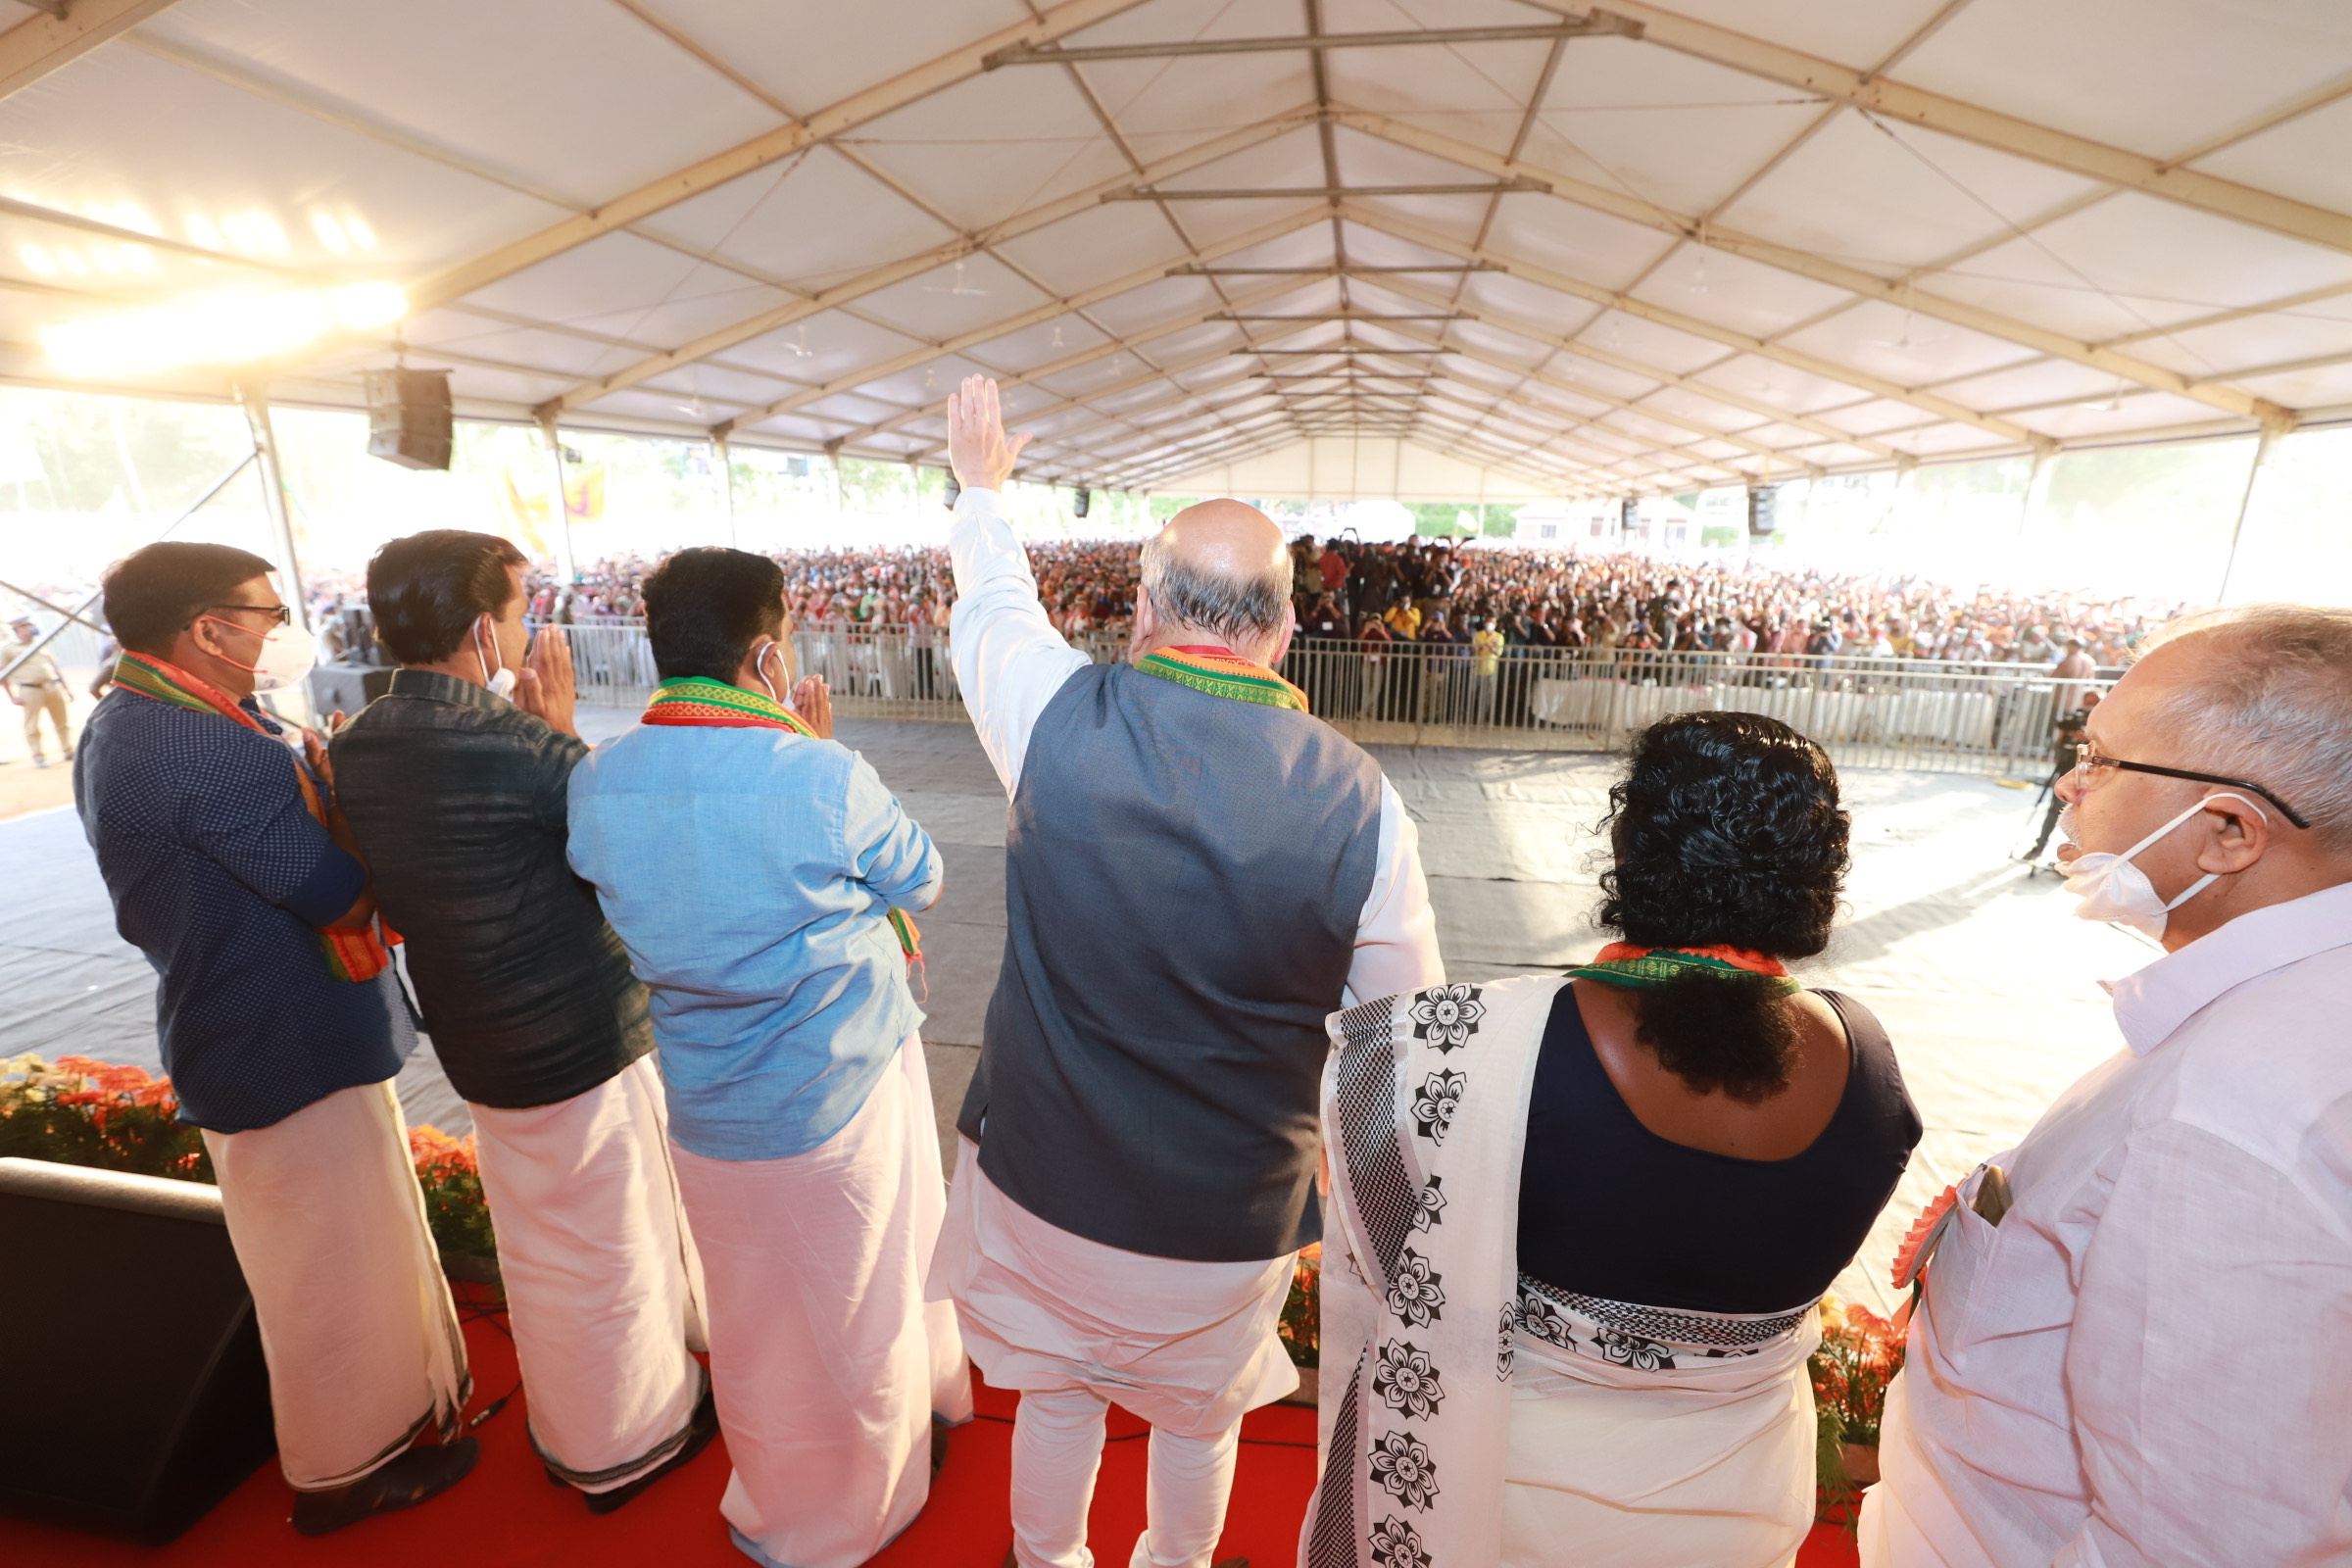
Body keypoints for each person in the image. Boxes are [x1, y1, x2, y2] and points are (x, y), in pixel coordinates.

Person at [932, 375, 1443, 1568]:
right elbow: (1400, 1038)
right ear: (1284, 629)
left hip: (1045, 1185)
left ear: (1147, 606)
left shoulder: (1059, 718)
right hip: (1228, 1221)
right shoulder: (1365, 805)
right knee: (1198, 1415)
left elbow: (993, 611)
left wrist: (980, 493)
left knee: (1056, 1400)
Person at [1311, 710, 1920, 1568]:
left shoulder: (1469, 1040)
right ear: (1816, 872)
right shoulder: (1868, 1063)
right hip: (1734, 1509)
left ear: (1633, 848)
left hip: (1507, 1499)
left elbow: (1394, 1256)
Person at [1863, 605, 2352, 1568]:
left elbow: (2206, 1542)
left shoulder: (2226, 1118)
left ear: (2227, 832)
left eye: (2102, 758)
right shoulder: (2277, 1022)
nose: (2068, 784)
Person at [566, 546, 968, 1568]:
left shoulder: (599, 778)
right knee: (862, 1300)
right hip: (839, 1089)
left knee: (754, 1321)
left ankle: (780, 1494)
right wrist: (814, 750)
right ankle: (864, 1505)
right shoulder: (816, 773)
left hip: (704, 1101)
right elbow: (919, 880)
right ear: (766, 652)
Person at [73, 542, 473, 1534]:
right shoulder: (194, 743)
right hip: (278, 1034)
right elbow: (332, 888)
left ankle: (388, 1417)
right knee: (327, 1270)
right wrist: (365, 814)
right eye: (264, 611)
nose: (279, 628)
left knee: (347, 1249)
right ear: (207, 629)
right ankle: (342, 1469)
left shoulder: (149, 717)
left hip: (266, 1022)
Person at [329, 530, 715, 1514]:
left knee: (539, 1242)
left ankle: (581, 1421)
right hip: (576, 1033)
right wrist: (566, 735)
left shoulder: (360, 740)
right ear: (476, 627)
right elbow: (617, 858)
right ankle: (625, 1442)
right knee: (611, 1243)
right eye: (516, 609)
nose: (526, 626)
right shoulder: (522, 746)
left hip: (474, 1033)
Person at [7, 615, 74, 765]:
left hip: (52, 686)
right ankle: (38, 756)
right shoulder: (9, 649)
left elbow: (55, 667)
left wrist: (66, 689)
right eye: (26, 626)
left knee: (62, 722)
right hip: (30, 690)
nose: (31, 628)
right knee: (32, 725)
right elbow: (2, 673)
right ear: (18, 629)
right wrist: (11, 696)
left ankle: (68, 751)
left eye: (31, 625)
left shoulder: (41, 643)